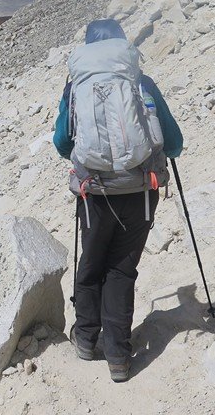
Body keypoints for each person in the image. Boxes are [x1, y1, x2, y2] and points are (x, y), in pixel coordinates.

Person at [53, 19, 183, 383]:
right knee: (121, 272)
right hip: (141, 193)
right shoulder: (141, 83)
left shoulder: (75, 87)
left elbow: (63, 142)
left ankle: (84, 339)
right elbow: (173, 142)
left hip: (94, 194)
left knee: (91, 265)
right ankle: (118, 358)